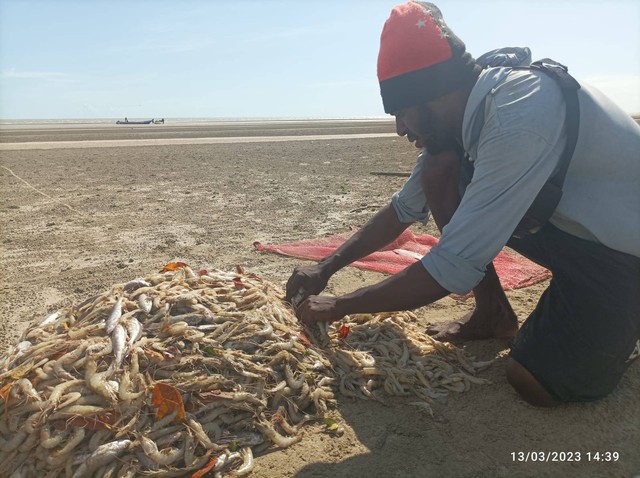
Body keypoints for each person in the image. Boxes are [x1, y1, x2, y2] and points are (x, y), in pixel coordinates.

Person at [285, 1, 640, 406]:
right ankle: (492, 314)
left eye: (401, 111)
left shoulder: (517, 117)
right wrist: (326, 267)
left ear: (433, 95)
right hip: (575, 233)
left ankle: (624, 333)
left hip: (622, 254)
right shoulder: (459, 124)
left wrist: (341, 305)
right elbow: (404, 209)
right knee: (442, 172)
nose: (400, 128)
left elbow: (450, 267)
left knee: (535, 382)